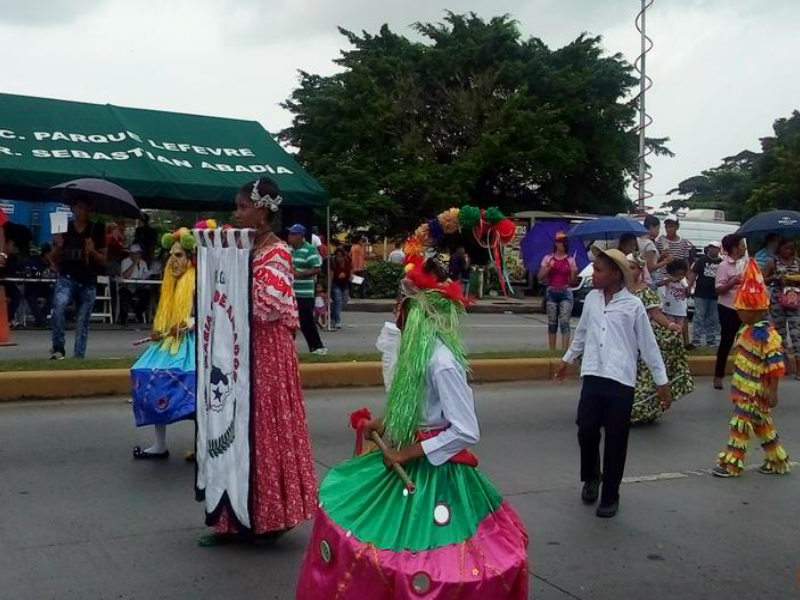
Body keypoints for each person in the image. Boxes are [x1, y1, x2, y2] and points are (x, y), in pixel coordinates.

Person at [296, 257, 529, 599]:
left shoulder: (442, 362)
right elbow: (413, 406)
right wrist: (381, 422)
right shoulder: (415, 352)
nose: (395, 313)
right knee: (358, 536)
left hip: (435, 475)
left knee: (420, 560)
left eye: (400, 305)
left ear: (417, 311)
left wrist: (405, 452)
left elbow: (466, 430)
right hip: (407, 457)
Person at [200, 177, 317, 545]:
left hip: (266, 352)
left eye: (243, 207)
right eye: (237, 207)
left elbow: (267, 304)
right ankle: (230, 517)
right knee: (231, 429)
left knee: (262, 431)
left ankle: (270, 517)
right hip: (237, 351)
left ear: (263, 211)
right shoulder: (238, 248)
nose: (237, 214)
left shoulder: (277, 251)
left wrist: (231, 283)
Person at [555, 248, 671, 518]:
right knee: (586, 430)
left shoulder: (633, 306)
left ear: (616, 275)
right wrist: (567, 359)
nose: (593, 275)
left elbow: (648, 346)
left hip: (620, 380)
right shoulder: (593, 300)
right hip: (594, 375)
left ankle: (610, 494)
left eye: (599, 270)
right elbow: (582, 333)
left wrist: (661, 382)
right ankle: (591, 477)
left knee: (617, 439)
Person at [712, 258, 791, 478]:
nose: (739, 313)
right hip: (744, 388)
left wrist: (773, 393)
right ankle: (776, 459)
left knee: (740, 426)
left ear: (756, 310)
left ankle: (732, 463)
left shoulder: (767, 335)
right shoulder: (746, 330)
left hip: (755, 392)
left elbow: (775, 367)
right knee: (762, 425)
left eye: (743, 309)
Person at [131, 229, 197, 459]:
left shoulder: (198, 282)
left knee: (196, 390)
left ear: (190, 258)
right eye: (171, 255)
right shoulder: (168, 285)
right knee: (149, 376)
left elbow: (208, 314)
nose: (173, 260)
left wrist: (188, 324)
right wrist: (159, 330)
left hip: (191, 345)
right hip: (168, 343)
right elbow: (164, 316)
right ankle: (160, 444)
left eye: (179, 255)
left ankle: (202, 446)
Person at [627, 253, 694, 424]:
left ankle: (643, 410)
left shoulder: (645, 292)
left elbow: (656, 314)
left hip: (643, 340)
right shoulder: (618, 290)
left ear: (641, 271)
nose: (629, 270)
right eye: (627, 266)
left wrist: (670, 325)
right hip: (623, 340)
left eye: (633, 267)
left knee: (643, 377)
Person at [50, 196, 107, 360]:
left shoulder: (96, 229)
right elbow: (53, 257)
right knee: (59, 306)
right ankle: (58, 346)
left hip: (88, 280)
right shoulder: (64, 227)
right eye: (77, 207)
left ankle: (79, 355)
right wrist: (59, 245)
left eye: (83, 208)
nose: (79, 211)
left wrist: (92, 250)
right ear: (72, 209)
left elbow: (103, 260)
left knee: (83, 319)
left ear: (89, 210)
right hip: (67, 276)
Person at [762, 238, 800, 377]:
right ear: (780, 249)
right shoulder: (772, 262)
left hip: (795, 300)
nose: (788, 251)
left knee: (796, 334)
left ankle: (798, 366)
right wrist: (774, 277)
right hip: (778, 301)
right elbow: (762, 279)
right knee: (779, 334)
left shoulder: (797, 261)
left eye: (791, 248)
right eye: (785, 248)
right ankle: (785, 364)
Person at [288, 223, 327, 355]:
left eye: (293, 234)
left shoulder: (309, 249)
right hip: (291, 292)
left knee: (306, 321)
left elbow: (317, 267)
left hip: (305, 292)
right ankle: (289, 349)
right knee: (290, 321)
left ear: (300, 236)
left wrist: (299, 273)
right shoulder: (291, 250)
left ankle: (317, 347)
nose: (290, 237)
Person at [714, 234, 746, 390]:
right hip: (728, 307)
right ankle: (718, 376)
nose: (743, 248)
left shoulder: (744, 263)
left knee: (746, 342)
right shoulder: (724, 266)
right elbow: (719, 289)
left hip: (743, 307)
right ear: (733, 248)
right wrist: (733, 282)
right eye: (741, 245)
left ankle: (743, 375)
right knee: (727, 341)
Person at [538, 232, 578, 350]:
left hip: (565, 291)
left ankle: (565, 350)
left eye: (563, 242)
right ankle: (552, 349)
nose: (561, 245)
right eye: (559, 242)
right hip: (552, 292)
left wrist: (573, 272)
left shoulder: (570, 260)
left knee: (565, 322)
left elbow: (573, 281)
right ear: (555, 244)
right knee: (552, 323)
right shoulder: (548, 258)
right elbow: (540, 277)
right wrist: (548, 269)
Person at [23, 244, 57, 328]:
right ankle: (40, 320)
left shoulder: (53, 263)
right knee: (31, 297)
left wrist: (52, 262)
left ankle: (43, 316)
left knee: (54, 296)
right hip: (33, 286)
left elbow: (56, 272)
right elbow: (30, 273)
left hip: (46, 287)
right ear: (46, 254)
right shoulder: (34, 261)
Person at [118, 244, 151, 326]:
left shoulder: (143, 263)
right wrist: (134, 264)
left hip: (140, 286)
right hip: (128, 286)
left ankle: (138, 313)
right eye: (134, 253)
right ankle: (123, 319)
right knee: (124, 294)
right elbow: (125, 275)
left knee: (146, 294)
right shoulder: (125, 262)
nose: (137, 255)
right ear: (130, 254)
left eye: (138, 253)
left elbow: (145, 275)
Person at [641, 215, 673, 287]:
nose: (658, 232)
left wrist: (661, 257)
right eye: (657, 229)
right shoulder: (649, 244)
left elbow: (648, 261)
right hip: (649, 281)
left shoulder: (639, 240)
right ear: (651, 227)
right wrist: (666, 261)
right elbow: (650, 268)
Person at [658, 259, 690, 329]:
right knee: (670, 329)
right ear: (672, 273)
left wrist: (687, 288)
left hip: (681, 311)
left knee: (679, 329)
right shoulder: (668, 280)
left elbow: (688, 295)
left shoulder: (685, 281)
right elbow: (658, 284)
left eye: (682, 274)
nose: (680, 276)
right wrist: (671, 279)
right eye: (678, 274)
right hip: (669, 310)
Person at [330, 247, 351, 330]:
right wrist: (329, 287)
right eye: (337, 256)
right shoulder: (333, 263)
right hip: (336, 284)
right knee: (338, 301)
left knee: (344, 301)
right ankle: (337, 321)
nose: (339, 258)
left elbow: (351, 269)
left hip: (345, 284)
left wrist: (350, 275)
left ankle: (332, 316)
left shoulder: (347, 261)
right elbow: (331, 275)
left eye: (340, 256)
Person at [349, 234, 367, 299]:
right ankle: (361, 295)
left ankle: (352, 294)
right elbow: (356, 258)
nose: (362, 241)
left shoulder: (353, 247)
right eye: (361, 240)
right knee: (362, 282)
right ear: (358, 240)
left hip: (355, 267)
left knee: (354, 281)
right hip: (359, 267)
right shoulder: (358, 248)